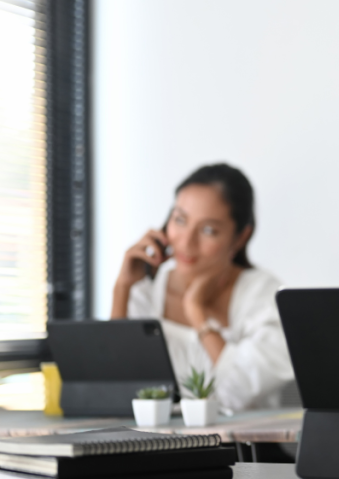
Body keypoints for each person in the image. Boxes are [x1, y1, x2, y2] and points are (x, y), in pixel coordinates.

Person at [111, 163, 294, 412]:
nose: (187, 242)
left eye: (208, 230)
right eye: (180, 220)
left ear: (240, 237)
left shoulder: (263, 295)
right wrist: (122, 289)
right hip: (151, 445)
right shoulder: (146, 290)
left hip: (242, 448)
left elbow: (238, 395)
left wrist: (196, 312)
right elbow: (112, 388)